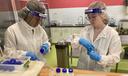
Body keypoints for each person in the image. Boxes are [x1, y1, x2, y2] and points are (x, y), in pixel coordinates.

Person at [71, 1, 122, 72]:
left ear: (103, 15)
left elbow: (115, 58)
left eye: (94, 17)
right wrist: (79, 40)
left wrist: (100, 58)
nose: (91, 20)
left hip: (100, 72)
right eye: (89, 17)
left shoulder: (112, 34)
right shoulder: (85, 30)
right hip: (82, 70)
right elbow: (74, 45)